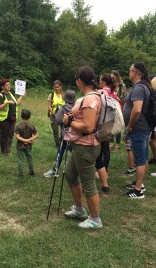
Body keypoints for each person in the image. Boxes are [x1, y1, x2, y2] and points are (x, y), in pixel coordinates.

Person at [63, 66, 102, 229]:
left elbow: (88, 127)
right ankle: (79, 210)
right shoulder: (92, 96)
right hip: (80, 145)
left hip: (86, 146)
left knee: (88, 184)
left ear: (80, 81)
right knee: (70, 175)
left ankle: (95, 220)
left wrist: (69, 122)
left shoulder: (90, 99)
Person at [123, 62, 152, 199]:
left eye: (130, 70)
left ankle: (138, 190)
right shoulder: (145, 86)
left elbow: (137, 110)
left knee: (140, 159)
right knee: (144, 156)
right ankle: (140, 183)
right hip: (144, 127)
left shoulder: (138, 88)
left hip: (138, 128)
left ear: (135, 72)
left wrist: (129, 126)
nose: (129, 72)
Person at [44, 90, 76, 178]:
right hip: (74, 135)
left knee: (60, 152)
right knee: (74, 152)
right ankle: (78, 170)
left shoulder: (62, 108)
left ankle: (55, 170)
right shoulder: (76, 108)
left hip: (64, 134)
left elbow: (57, 120)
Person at [0, 78, 24, 156]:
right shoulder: (0, 96)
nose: (8, 86)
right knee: (4, 135)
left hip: (12, 118)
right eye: (6, 85)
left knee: (10, 134)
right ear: (2, 87)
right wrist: (6, 103)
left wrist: (21, 96)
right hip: (3, 119)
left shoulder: (11, 94)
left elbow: (16, 103)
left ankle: (7, 151)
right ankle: (3, 150)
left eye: (9, 84)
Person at [15, 109, 39, 177]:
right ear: (30, 116)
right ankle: (32, 172)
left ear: (21, 116)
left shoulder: (18, 125)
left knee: (20, 160)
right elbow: (37, 135)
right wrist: (29, 140)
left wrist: (24, 140)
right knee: (30, 158)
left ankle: (21, 174)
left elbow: (17, 136)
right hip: (29, 146)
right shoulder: (32, 125)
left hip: (20, 146)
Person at [47, 80, 65, 148]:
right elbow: (49, 105)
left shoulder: (63, 95)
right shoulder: (51, 95)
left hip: (62, 115)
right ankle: (57, 144)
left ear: (60, 87)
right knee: (55, 130)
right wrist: (52, 112)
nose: (56, 89)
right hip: (53, 115)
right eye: (55, 87)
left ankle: (62, 143)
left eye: (58, 87)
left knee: (62, 130)